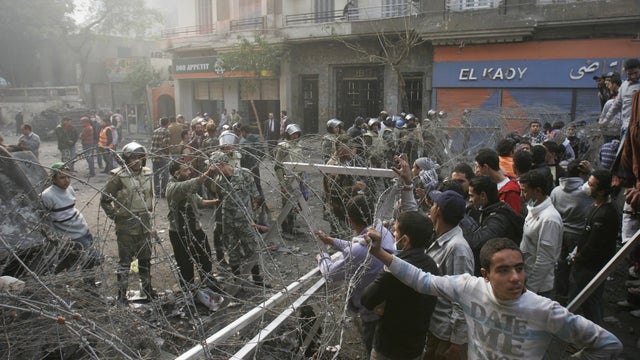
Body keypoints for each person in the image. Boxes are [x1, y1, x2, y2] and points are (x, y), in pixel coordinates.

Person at [362, 235, 623, 359]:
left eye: (519, 268)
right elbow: (422, 280)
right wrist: (379, 253)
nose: (516, 278)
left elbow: (609, 344)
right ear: (486, 274)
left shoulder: (544, 310)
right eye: (504, 270)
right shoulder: (469, 287)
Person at [314, 195, 394, 358]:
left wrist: (322, 255)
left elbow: (330, 273)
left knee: (373, 350)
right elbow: (356, 244)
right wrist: (331, 241)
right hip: (387, 305)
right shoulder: (381, 232)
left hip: (372, 314)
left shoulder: (360, 251)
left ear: (350, 220)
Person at [361, 211, 438, 360]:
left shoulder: (396, 270)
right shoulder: (431, 265)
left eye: (396, 230)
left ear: (405, 240)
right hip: (416, 345)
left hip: (389, 349)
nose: (394, 234)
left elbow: (367, 299)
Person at [100, 142, 156, 304]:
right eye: (133, 157)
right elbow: (105, 199)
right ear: (126, 159)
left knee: (145, 259)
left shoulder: (147, 173)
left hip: (144, 223)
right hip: (126, 225)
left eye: (140, 157)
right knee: (125, 262)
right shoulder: (118, 176)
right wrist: (116, 216)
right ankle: (122, 294)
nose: (137, 161)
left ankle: (147, 289)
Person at [208, 151, 269, 293]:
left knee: (251, 248)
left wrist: (253, 213)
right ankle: (238, 282)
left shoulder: (244, 174)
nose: (211, 169)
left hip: (245, 220)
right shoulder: (218, 180)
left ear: (222, 164)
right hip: (228, 221)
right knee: (232, 250)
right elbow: (219, 198)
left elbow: (255, 195)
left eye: (213, 166)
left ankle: (257, 279)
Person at [568, 170, 619, 325]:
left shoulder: (605, 214)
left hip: (590, 266)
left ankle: (593, 334)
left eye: (591, 184)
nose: (586, 186)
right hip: (586, 262)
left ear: (602, 190)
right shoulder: (597, 205)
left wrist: (579, 256)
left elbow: (595, 244)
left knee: (587, 300)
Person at [166, 160, 219, 291]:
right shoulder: (173, 188)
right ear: (176, 174)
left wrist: (218, 201)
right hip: (179, 232)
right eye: (185, 170)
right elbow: (192, 184)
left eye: (189, 169)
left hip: (195, 228)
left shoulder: (186, 188)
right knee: (185, 264)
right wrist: (208, 172)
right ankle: (188, 289)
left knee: (204, 256)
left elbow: (199, 202)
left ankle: (208, 282)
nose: (189, 172)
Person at [41, 162, 102, 273]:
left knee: (80, 258)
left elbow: (70, 210)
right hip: (71, 236)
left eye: (69, 177)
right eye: (62, 177)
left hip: (83, 229)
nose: (67, 180)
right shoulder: (47, 195)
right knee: (94, 257)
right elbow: (47, 219)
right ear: (53, 178)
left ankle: (87, 280)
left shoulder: (70, 190)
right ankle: (50, 273)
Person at [549, 160, 593, 304]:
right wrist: (591, 172)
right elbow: (602, 189)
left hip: (561, 232)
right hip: (579, 233)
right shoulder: (585, 192)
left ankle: (561, 295)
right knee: (577, 268)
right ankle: (575, 300)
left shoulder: (556, 191)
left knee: (561, 265)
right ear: (581, 174)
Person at [466, 175, 524, 276]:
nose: (470, 200)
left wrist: (459, 218)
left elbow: (477, 242)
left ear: (483, 195)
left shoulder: (498, 220)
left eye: (472, 196)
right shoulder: (487, 210)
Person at [518, 169, 563, 298]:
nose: (521, 195)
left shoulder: (549, 219)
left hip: (539, 287)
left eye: (525, 191)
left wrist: (530, 289)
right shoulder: (533, 210)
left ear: (537, 191)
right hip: (527, 277)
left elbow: (545, 259)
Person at [274, 124, 308, 235]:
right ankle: (285, 230)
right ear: (288, 134)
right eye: (293, 134)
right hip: (287, 179)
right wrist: (282, 183)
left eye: (296, 134)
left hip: (297, 179)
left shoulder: (298, 146)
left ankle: (292, 227)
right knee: (286, 205)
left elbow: (302, 164)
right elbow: (278, 166)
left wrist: (303, 181)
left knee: (295, 204)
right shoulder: (283, 146)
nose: (295, 136)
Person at [474, 148, 521, 214]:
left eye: (477, 167)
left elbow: (513, 217)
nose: (476, 171)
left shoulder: (510, 192)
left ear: (485, 167)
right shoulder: (485, 185)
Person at [151, 117, 171, 197]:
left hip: (154, 156)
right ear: (167, 123)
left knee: (156, 175)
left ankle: (156, 192)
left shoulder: (155, 131)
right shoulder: (166, 131)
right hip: (162, 156)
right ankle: (163, 192)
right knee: (165, 175)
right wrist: (168, 153)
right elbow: (165, 145)